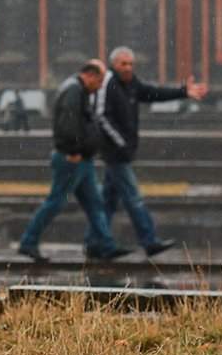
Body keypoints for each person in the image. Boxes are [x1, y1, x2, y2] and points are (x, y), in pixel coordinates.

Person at [93, 47, 209, 258]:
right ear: (114, 64)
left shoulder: (131, 84)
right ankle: (149, 241)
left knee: (107, 202)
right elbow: (101, 117)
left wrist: (183, 92)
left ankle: (94, 242)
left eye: (130, 64)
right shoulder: (108, 83)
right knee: (133, 198)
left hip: (123, 151)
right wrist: (120, 143)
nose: (128, 68)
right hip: (115, 153)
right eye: (123, 64)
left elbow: (153, 93)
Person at [14, 60, 127, 262]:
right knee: (55, 203)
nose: (99, 87)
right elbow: (68, 124)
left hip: (83, 159)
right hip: (73, 158)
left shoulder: (78, 90)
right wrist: (73, 150)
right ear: (90, 75)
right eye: (99, 81)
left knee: (95, 204)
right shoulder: (74, 90)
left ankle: (105, 245)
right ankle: (28, 242)